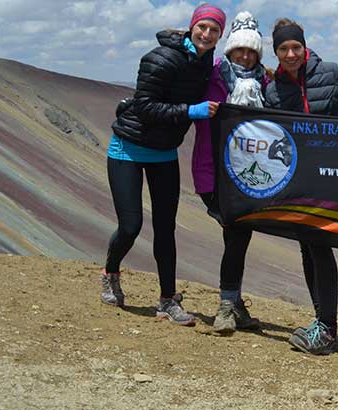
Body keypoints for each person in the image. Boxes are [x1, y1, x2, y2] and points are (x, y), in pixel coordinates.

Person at [100, 4, 225, 326]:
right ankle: (110, 272)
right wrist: (189, 111)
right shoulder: (160, 57)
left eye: (214, 31)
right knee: (130, 226)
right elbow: (143, 106)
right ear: (192, 27)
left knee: (166, 228)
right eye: (203, 28)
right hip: (128, 148)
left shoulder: (204, 61)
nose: (207, 35)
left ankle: (167, 300)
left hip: (164, 151)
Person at [262, 17, 338, 355]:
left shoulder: (329, 72)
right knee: (309, 247)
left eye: (296, 46)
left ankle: (326, 328)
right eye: (283, 49)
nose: (291, 53)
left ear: (305, 45)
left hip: (334, 174)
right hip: (299, 178)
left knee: (318, 243)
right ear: (276, 52)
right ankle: (322, 321)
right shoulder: (273, 90)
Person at [191, 11, 270, 335]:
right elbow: (193, 113)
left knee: (237, 235)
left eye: (252, 50)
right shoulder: (211, 77)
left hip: (249, 173)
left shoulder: (266, 81)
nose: (246, 55)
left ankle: (233, 302)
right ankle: (227, 305)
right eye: (241, 49)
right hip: (213, 170)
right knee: (236, 233)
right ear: (230, 49)